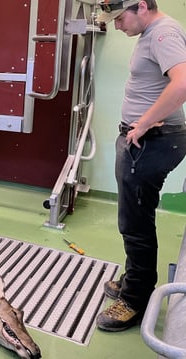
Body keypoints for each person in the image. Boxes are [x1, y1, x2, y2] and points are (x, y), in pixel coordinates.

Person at [95, 0, 186, 331]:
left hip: (151, 143)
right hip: (145, 141)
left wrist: (144, 124)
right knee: (134, 216)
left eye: (119, 18)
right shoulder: (151, 34)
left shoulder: (164, 34)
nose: (117, 26)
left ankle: (135, 299)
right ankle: (136, 279)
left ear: (142, 6)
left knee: (135, 222)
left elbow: (183, 82)